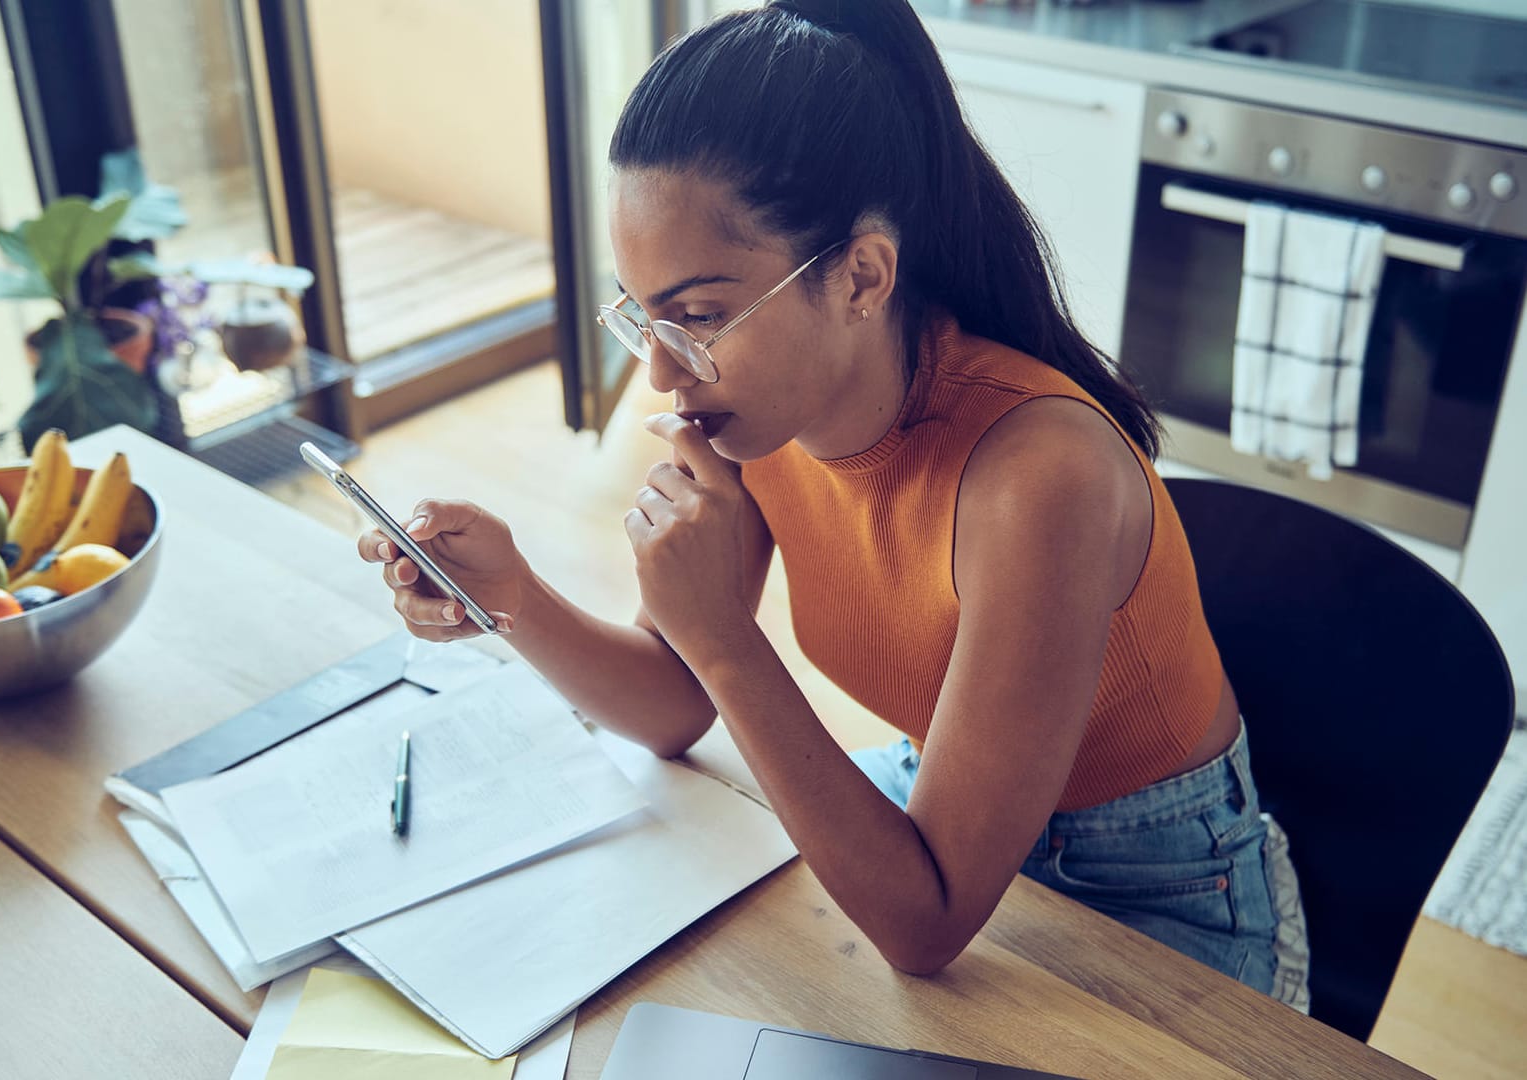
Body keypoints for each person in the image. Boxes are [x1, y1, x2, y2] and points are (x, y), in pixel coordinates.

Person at [359, 0, 1307, 1004]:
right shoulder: (755, 413)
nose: (665, 377)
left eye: (702, 316)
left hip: (1154, 882)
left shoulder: (1039, 477)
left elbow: (926, 923)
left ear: (861, 275)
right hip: (936, 817)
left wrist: (724, 637)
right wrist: (514, 595)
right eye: (644, 317)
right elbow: (676, 706)